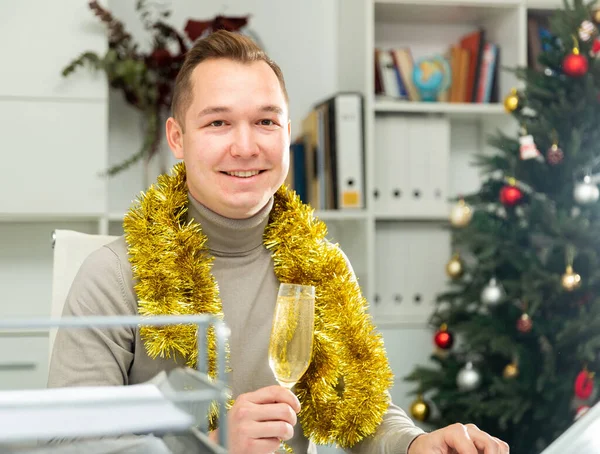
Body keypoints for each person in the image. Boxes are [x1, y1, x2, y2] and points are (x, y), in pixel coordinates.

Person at [48, 30, 509, 454]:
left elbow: (362, 415)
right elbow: (70, 441)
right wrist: (211, 445)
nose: (245, 147)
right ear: (178, 138)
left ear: (288, 134)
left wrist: (416, 446)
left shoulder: (321, 264)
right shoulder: (113, 274)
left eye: (266, 122)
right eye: (217, 124)